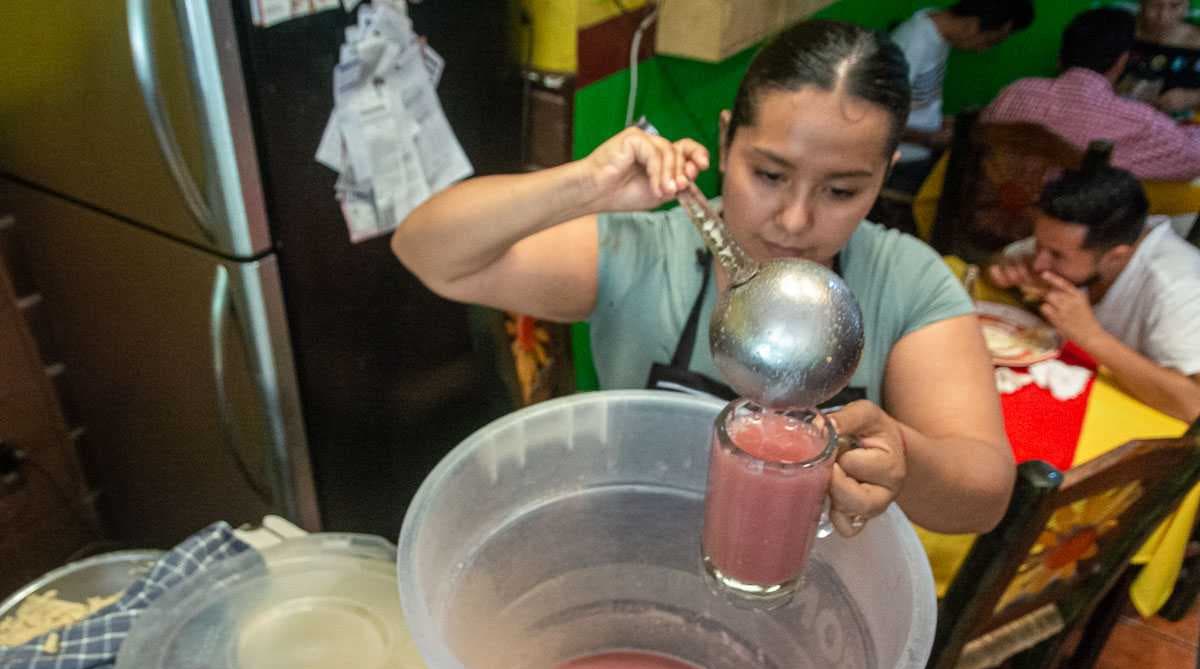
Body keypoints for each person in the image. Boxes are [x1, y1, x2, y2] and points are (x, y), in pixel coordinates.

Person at [392, 20, 1015, 536]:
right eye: (768, 175)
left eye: (842, 189)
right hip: (639, 547)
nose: (795, 221)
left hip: (807, 580)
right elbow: (429, 252)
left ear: (886, 174)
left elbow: (985, 496)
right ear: (726, 142)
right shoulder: (645, 255)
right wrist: (582, 185)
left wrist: (904, 456)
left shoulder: (906, 282)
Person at [987, 165, 1200, 422]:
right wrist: (1004, 269)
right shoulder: (1067, 237)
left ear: (1115, 256)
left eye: (1056, 256)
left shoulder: (1178, 289)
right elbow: (999, 260)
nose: (1040, 264)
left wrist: (1091, 337)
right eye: (1039, 245)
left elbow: (1193, 406)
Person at [982, 7, 1200, 182]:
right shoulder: (1138, 120)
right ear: (1121, 61)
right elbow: (1194, 158)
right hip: (1072, 226)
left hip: (998, 214)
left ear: (1062, 55)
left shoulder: (1016, 91)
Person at [888, 0, 1035, 195]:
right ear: (973, 25)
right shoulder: (915, 41)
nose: (983, 49)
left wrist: (941, 124)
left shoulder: (939, 37)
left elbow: (914, 104)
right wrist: (929, 138)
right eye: (990, 41)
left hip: (915, 158)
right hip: (900, 164)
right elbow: (877, 118)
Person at [1118, 0, 1200, 117]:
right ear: (1142, 4)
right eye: (1155, 5)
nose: (1163, 16)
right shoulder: (1120, 33)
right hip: (1125, 117)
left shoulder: (1197, 40)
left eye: (1175, 6)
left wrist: (1194, 97)